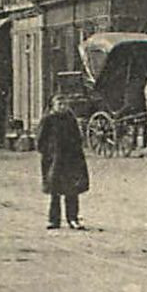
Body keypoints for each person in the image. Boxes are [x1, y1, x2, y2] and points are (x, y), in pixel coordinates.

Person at [37, 94, 89, 230]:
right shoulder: (48, 119)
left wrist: (77, 153)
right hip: (54, 160)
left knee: (72, 191)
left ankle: (73, 218)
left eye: (64, 104)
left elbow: (78, 137)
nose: (62, 107)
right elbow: (40, 140)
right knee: (55, 191)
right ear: (53, 106)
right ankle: (54, 220)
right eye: (59, 104)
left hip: (70, 159)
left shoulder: (70, 119)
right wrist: (49, 153)